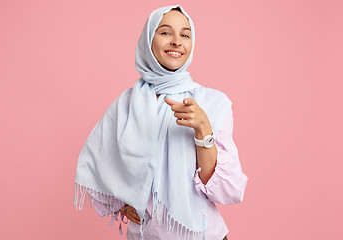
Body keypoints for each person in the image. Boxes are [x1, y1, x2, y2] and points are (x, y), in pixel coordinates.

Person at [74, 5, 248, 240]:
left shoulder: (212, 102)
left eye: (185, 35)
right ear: (148, 39)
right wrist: (122, 200)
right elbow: (100, 161)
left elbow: (225, 190)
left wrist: (203, 128)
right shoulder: (126, 104)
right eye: (166, 32)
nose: (177, 41)